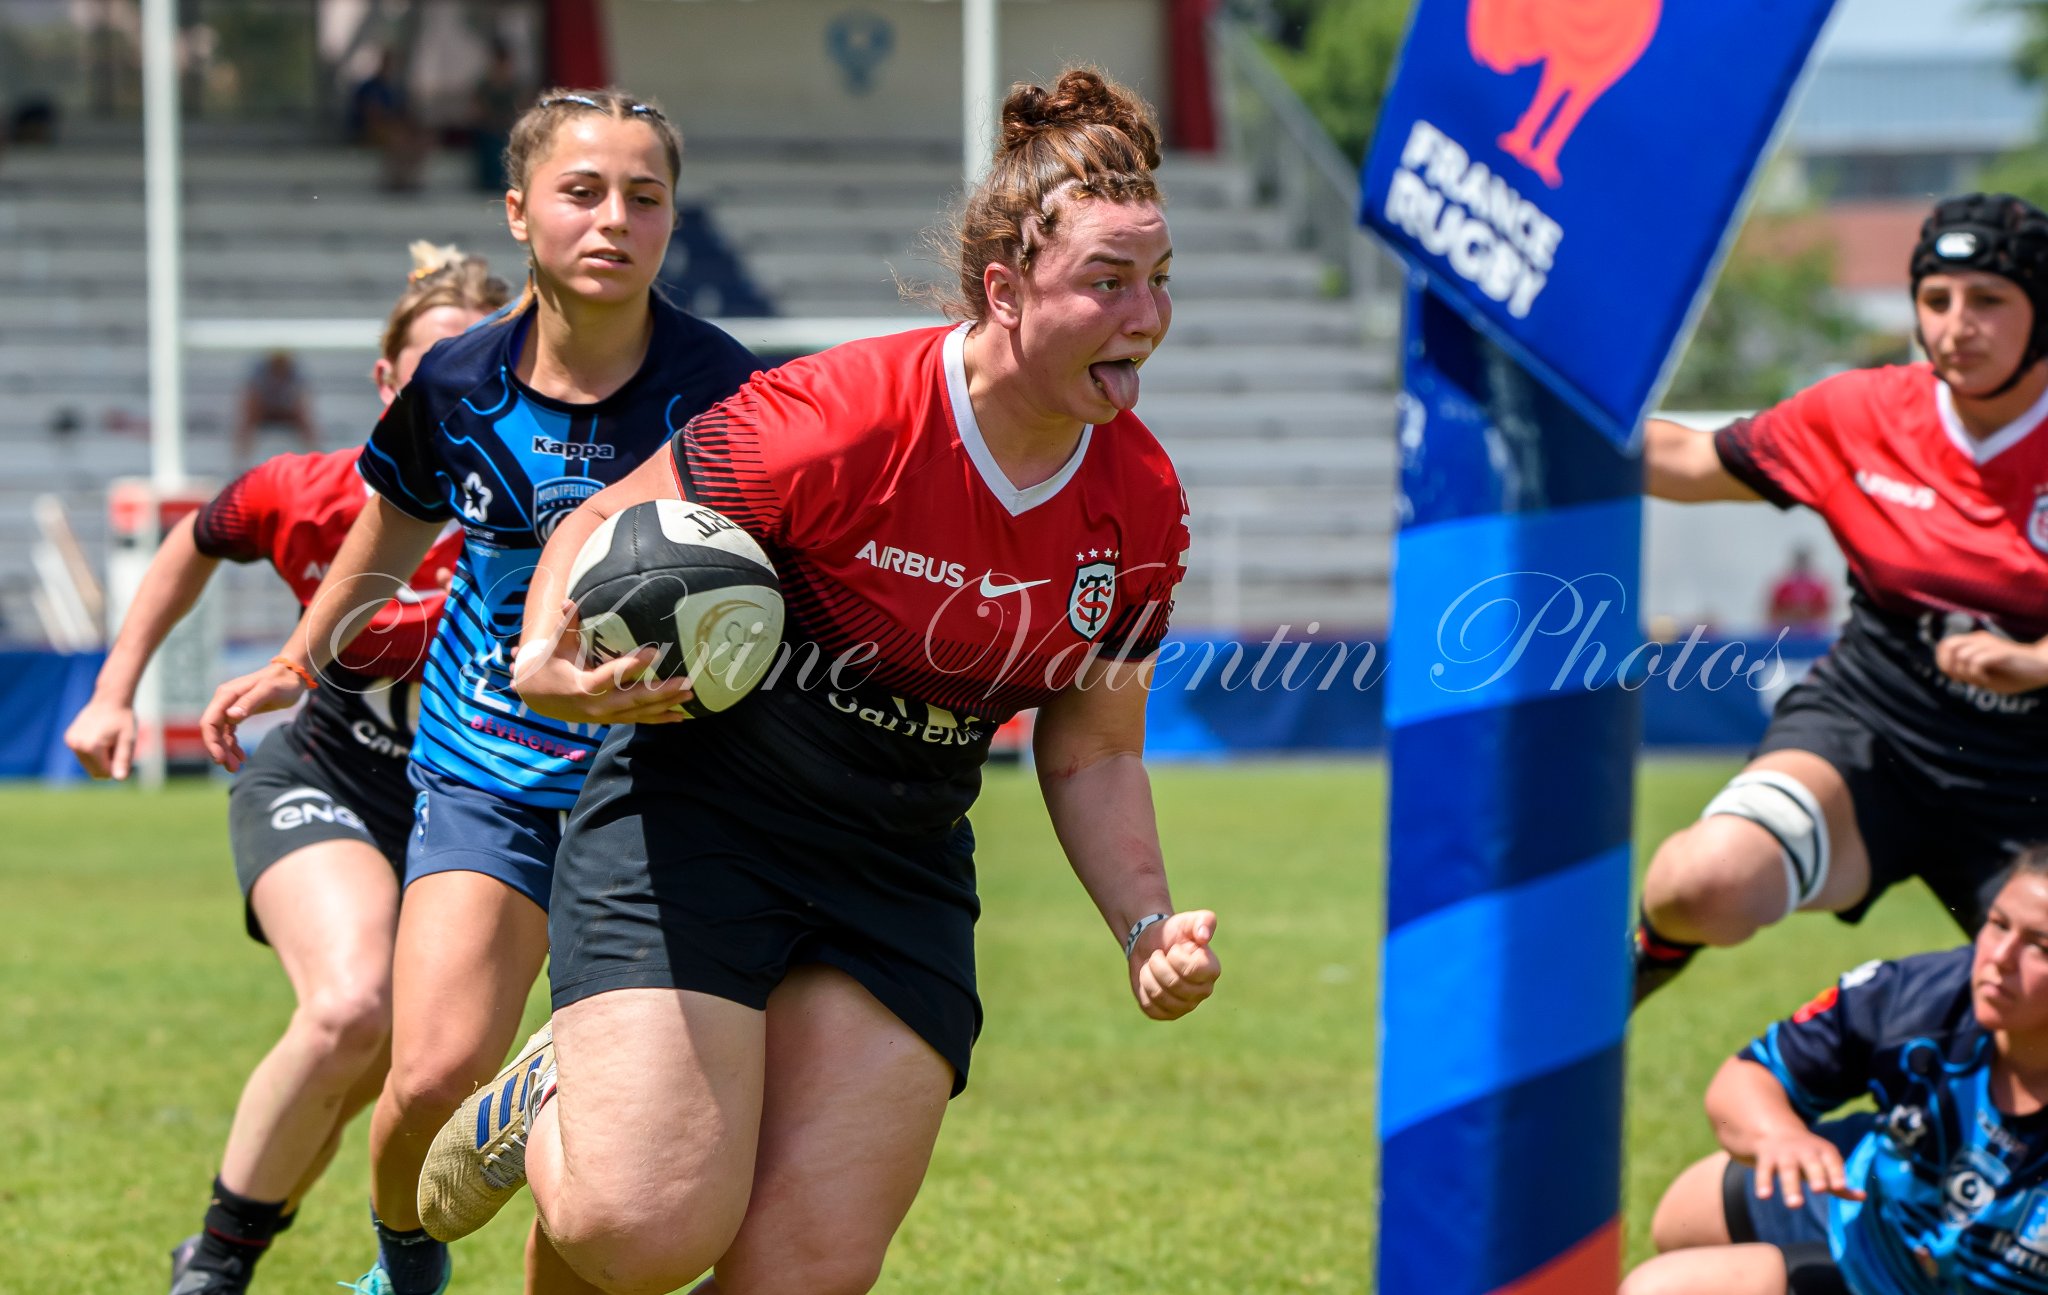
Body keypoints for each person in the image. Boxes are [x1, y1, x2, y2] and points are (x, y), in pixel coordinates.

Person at [413, 68, 1222, 1295]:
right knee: (643, 1227)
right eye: (1106, 282)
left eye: (1157, 280)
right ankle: (557, 1085)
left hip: (895, 849)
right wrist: (543, 651)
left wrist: (1145, 923)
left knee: (797, 1272)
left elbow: (1094, 746)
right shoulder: (843, 413)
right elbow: (611, 518)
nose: (1144, 314)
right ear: (1003, 291)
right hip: (702, 811)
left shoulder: (1143, 497)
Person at [198, 88, 757, 1295]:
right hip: (487, 765)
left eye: (645, 197)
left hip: (661, 781)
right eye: (582, 191)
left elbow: (769, 572)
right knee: (432, 1071)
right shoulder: (455, 382)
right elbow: (382, 542)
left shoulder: (723, 385)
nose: (615, 218)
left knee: (616, 1126)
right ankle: (408, 1256)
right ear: (518, 211)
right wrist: (300, 660)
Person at [63, 242, 508, 1295]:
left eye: (484, 367)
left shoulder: (542, 515)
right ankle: (212, 1269)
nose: (455, 391)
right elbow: (193, 543)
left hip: (479, 817)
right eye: (431, 368)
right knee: (351, 1006)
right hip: (327, 777)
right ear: (387, 383)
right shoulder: (308, 493)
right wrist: (114, 690)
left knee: (399, 1065)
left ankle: (349, 1253)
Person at [1632, 193, 2048, 1006]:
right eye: (1936, 300)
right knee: (1703, 881)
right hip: (1874, 728)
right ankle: (1615, 985)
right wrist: (1551, 412)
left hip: (2031, 774)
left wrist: (2034, 661)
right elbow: (1685, 459)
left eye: (1989, 300)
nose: (1956, 325)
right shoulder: (1861, 413)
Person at [1622, 844, 2048, 1295]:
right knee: (1685, 1220)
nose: (1999, 958)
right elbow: (1748, 1079)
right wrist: (1780, 1138)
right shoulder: (1920, 996)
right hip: (1876, 1238)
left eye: (2039, 947)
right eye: (1998, 924)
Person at [231, 350, 320, 469]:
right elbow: (251, 397)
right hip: (263, 410)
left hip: (285, 410)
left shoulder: (294, 374)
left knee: (303, 419)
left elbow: (301, 399)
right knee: (249, 418)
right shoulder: (259, 375)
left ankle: (315, 458)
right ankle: (241, 459)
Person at [1765, 546, 1833, 636]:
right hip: (1786, 632)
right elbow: (1772, 611)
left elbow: (1825, 612)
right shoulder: (1784, 587)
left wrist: (1807, 617)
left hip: (1812, 633)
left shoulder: (1817, 588)